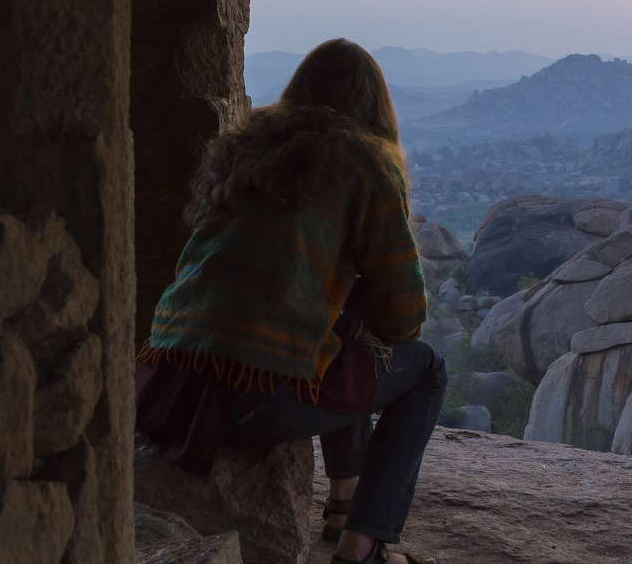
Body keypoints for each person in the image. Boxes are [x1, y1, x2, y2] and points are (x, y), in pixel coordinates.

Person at [136, 38, 446, 564]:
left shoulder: (245, 148)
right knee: (426, 371)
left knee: (339, 327)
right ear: (376, 105)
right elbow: (403, 318)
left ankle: (345, 501)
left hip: (170, 387)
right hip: (249, 394)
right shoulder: (365, 162)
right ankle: (363, 547)